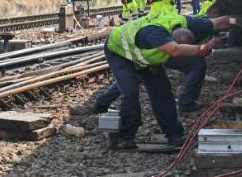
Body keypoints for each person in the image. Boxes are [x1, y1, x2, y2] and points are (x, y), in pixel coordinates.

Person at [95, 13, 234, 149]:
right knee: (130, 91)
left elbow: (220, 22)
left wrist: (239, 20)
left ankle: (174, 135)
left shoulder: (191, 24)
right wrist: (202, 49)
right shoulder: (155, 34)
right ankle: (125, 137)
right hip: (119, 52)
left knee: (162, 91)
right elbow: (174, 50)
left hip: (144, 55)